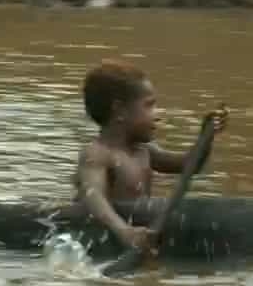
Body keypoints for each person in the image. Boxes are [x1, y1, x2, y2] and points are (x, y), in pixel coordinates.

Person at [72, 59, 228, 255]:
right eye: (149, 106)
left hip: (136, 231)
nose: (158, 115)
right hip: (107, 236)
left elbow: (190, 165)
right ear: (119, 110)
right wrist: (125, 232)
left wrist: (206, 137)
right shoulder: (98, 154)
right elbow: (92, 196)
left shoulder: (144, 151)